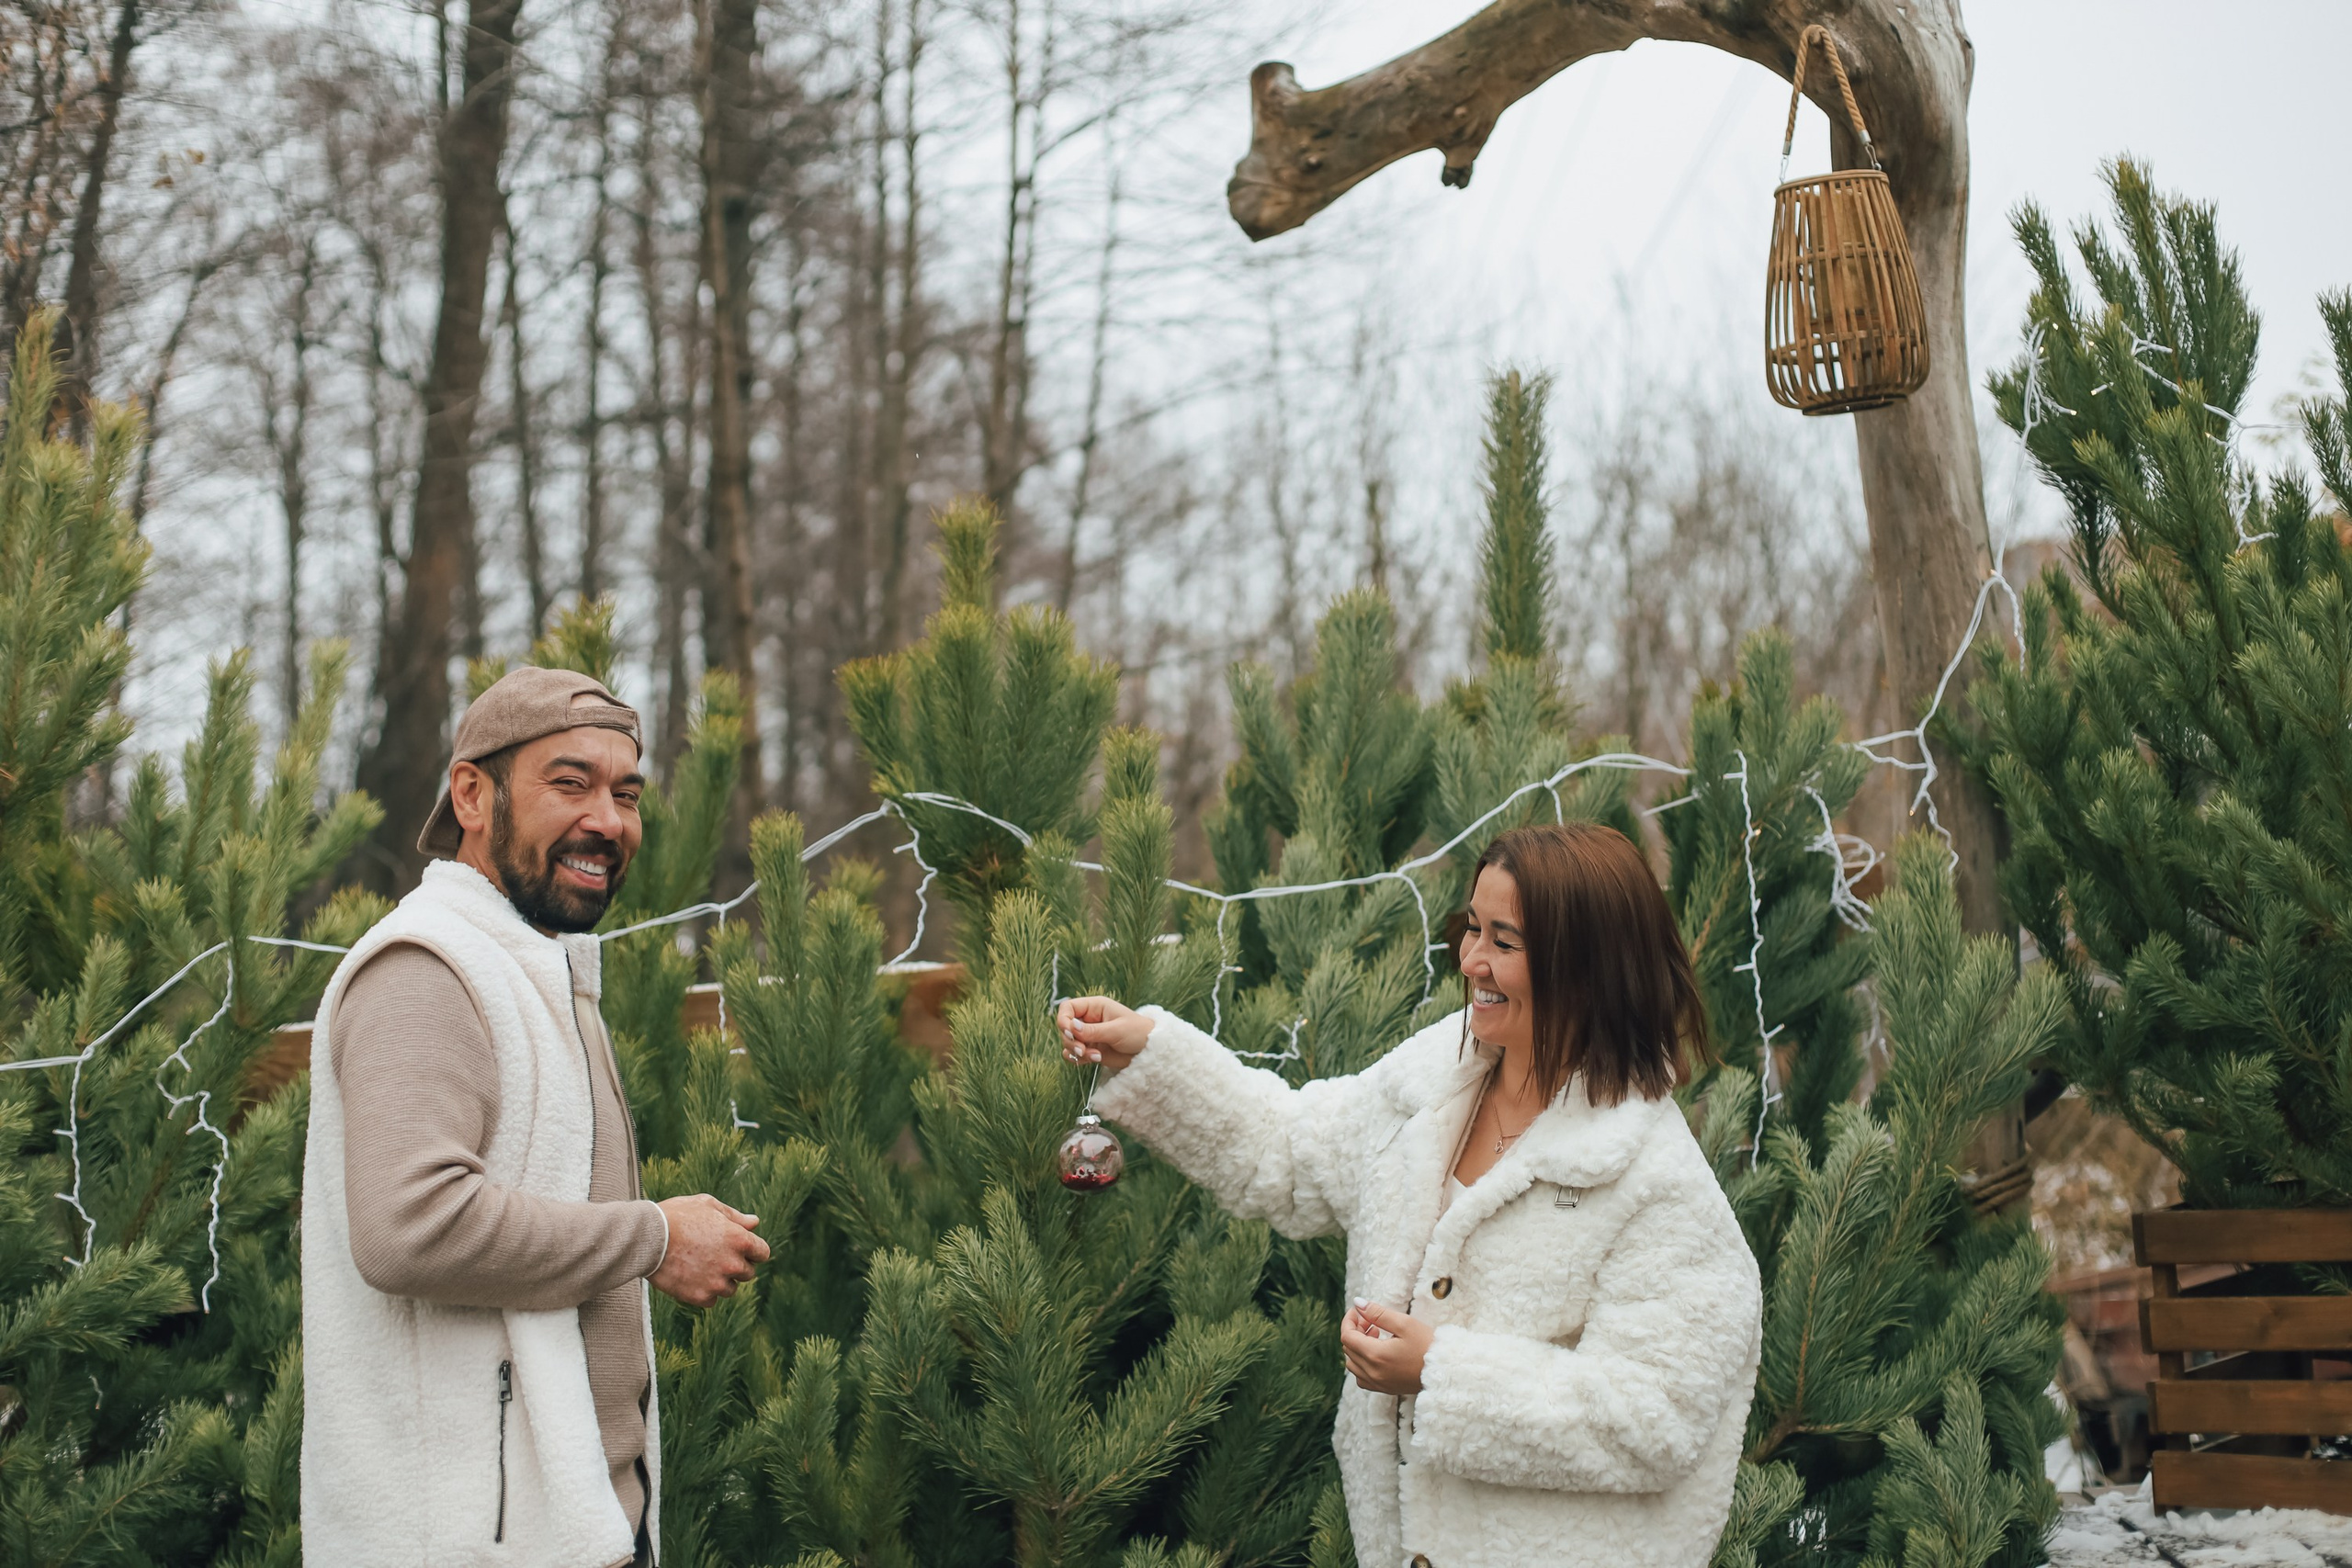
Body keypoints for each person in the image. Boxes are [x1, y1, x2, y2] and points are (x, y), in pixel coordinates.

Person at [1057, 822, 1762, 1568]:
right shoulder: (1430, 1081)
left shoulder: (1660, 1185)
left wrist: (1440, 1373)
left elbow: (1654, 1419)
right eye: (1471, 928)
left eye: (1504, 940)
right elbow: (1290, 1150)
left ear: (1584, 967)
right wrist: (1152, 1055)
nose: (1471, 959)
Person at [301, 667, 771, 1568]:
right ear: (471, 795)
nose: (608, 818)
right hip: (465, 1545)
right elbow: (410, 1229)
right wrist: (655, 1239)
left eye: (625, 792)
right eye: (570, 783)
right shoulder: (425, 973)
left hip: (569, 1526)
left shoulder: (533, 970)